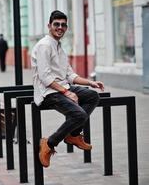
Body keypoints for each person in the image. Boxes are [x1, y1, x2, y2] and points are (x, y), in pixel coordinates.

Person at [31, 10, 105, 168]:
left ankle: (73, 134)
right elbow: (45, 78)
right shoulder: (44, 46)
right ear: (49, 26)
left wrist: (90, 83)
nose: (60, 27)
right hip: (48, 92)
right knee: (79, 114)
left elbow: (70, 75)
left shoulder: (59, 46)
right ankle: (49, 143)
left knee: (93, 96)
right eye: (56, 24)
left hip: (62, 87)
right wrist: (66, 92)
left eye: (63, 25)